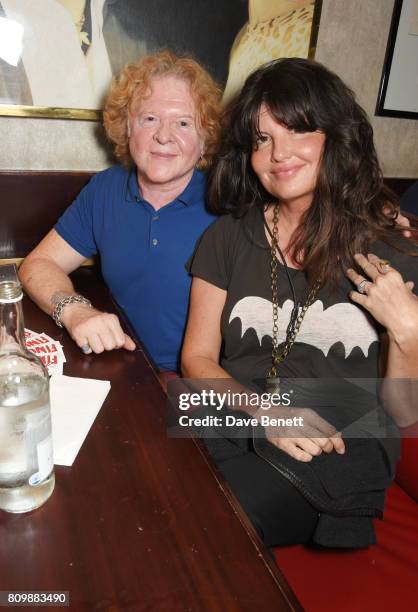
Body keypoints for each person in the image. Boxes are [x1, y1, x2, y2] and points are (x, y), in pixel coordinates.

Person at [182, 58, 418, 549]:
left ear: (334, 136)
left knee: (202, 527)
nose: (278, 153)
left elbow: (403, 411)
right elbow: (197, 358)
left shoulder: (392, 251)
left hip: (335, 441)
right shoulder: (225, 238)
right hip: (237, 415)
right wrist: (267, 414)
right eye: (262, 138)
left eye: (297, 131)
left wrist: (407, 331)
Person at [19, 50, 221, 372]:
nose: (163, 135)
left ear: (205, 137)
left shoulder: (228, 202)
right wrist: (74, 311)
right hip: (123, 367)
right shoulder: (105, 190)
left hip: (197, 386)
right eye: (149, 118)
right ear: (127, 128)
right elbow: (38, 264)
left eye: (183, 123)